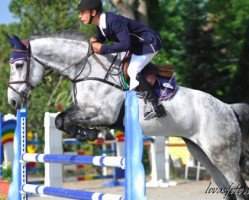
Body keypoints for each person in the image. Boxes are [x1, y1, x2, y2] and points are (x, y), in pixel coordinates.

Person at [77, 0, 166, 120]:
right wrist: (96, 40)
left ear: (93, 12)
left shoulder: (113, 21)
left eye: (82, 12)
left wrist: (103, 48)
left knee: (133, 71)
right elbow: (103, 36)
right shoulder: (101, 23)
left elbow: (125, 45)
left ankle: (155, 106)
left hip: (149, 42)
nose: (80, 16)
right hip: (138, 45)